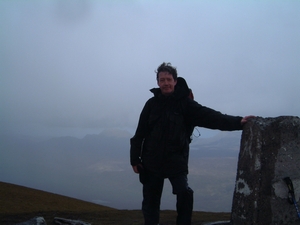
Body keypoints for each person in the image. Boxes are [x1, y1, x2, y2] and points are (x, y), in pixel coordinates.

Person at [130, 62, 254, 225]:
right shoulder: (151, 104)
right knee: (150, 202)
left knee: (184, 193)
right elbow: (140, 133)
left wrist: (238, 122)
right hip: (151, 160)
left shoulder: (185, 104)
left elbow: (211, 117)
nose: (165, 83)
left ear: (175, 81)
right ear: (158, 82)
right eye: (162, 80)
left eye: (168, 79)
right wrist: (135, 159)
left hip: (176, 160)